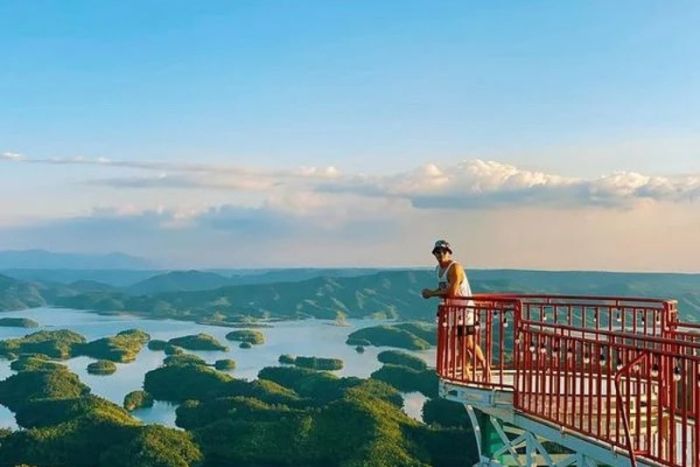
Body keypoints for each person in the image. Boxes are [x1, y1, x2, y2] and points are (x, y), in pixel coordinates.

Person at [421, 239, 490, 382]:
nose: (440, 254)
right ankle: (466, 373)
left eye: (443, 251)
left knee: (468, 343)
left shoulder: (455, 268)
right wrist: (433, 292)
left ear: (449, 253)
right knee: (460, 344)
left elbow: (452, 292)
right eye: (437, 252)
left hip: (465, 309)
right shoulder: (438, 269)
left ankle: (484, 365)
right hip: (453, 310)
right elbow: (443, 289)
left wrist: (431, 294)